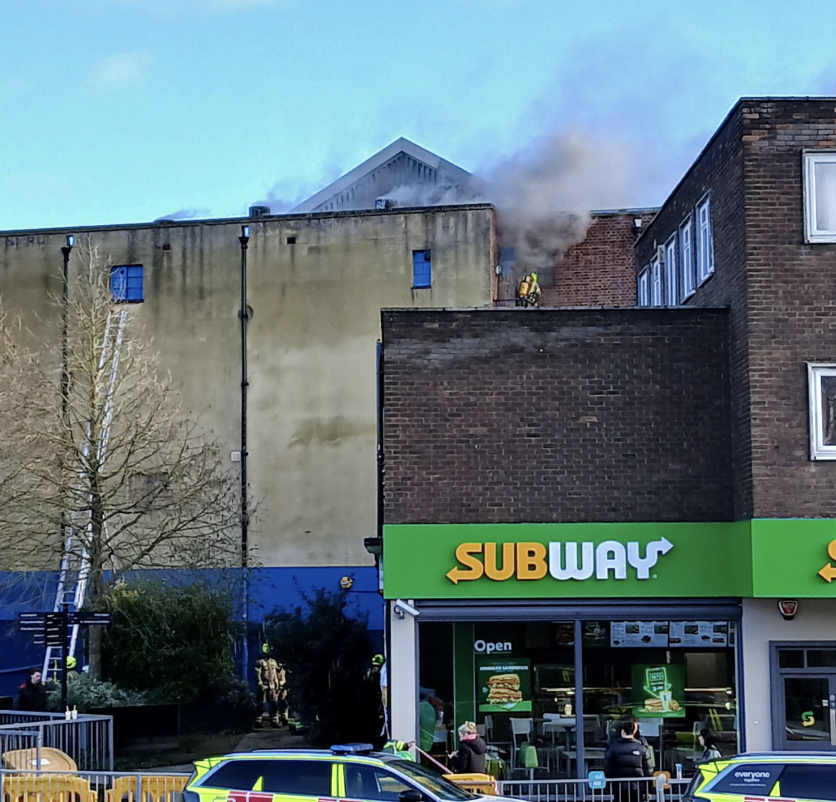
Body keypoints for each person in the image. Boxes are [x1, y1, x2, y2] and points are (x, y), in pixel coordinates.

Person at [604, 718, 652, 802]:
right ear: (634, 731)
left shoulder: (613, 748)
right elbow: (648, 771)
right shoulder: (642, 749)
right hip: (637, 788)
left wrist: (609, 788)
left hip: (618, 787)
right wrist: (648, 790)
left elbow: (607, 770)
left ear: (622, 731)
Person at [255, 643, 285, 728]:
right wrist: (260, 684)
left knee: (274, 704)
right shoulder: (260, 662)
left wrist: (278, 683)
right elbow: (257, 674)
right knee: (261, 703)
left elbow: (277, 672)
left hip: (272, 687)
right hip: (263, 687)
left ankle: (274, 721)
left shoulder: (273, 662)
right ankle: (258, 721)